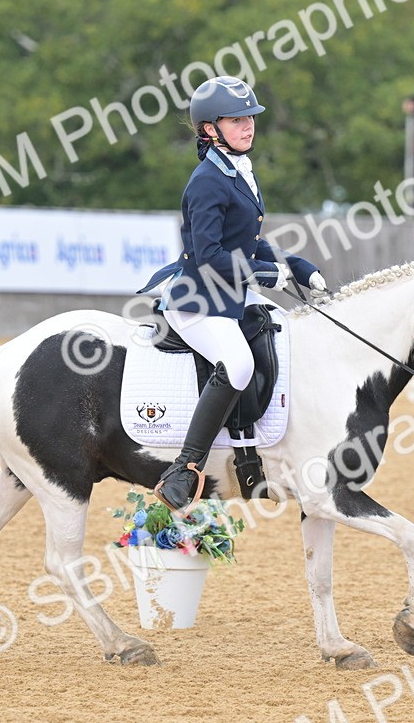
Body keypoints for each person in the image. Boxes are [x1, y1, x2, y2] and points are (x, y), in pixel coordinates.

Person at [138, 76, 327, 512]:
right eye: (236, 120)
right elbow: (209, 256)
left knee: (282, 330)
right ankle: (184, 469)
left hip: (229, 292)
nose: (248, 126)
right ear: (210, 129)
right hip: (198, 299)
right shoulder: (207, 180)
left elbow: (247, 242)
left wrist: (300, 267)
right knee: (238, 364)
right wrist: (264, 274)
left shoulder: (237, 169)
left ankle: (258, 448)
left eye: (250, 118)